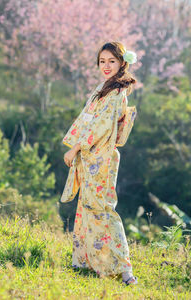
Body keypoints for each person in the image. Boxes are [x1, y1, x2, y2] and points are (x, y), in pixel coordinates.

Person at [60, 42, 138, 286]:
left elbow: (101, 126)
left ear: (122, 63)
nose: (106, 66)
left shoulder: (117, 92)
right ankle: (84, 261)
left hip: (101, 157)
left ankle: (125, 270)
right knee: (87, 206)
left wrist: (75, 148)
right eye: (102, 61)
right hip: (92, 155)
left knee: (103, 209)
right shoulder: (103, 88)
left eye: (111, 61)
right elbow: (87, 118)